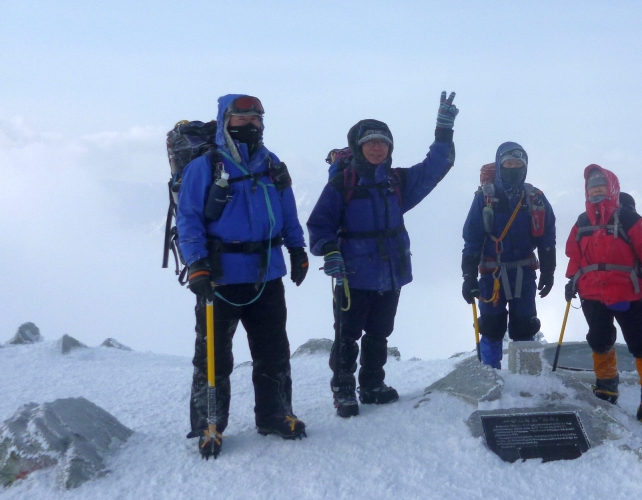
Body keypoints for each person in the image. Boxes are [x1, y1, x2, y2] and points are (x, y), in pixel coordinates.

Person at [308, 92, 458, 417]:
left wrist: (443, 132)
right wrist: (329, 251)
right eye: (371, 142)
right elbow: (320, 225)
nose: (377, 148)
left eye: (383, 143)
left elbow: (437, 166)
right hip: (353, 275)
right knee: (347, 334)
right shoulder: (342, 184)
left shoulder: (396, 181)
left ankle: (373, 386)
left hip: (390, 272)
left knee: (379, 332)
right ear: (359, 147)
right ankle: (344, 391)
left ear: (390, 148)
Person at [177, 94, 310, 458]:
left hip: (267, 273)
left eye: (256, 118)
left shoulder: (272, 164)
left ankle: (275, 415)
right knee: (213, 356)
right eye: (241, 116)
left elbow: (287, 211)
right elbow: (187, 218)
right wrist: (197, 264)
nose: (251, 123)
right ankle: (209, 425)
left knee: (273, 351)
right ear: (225, 120)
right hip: (219, 276)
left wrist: (297, 249)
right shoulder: (205, 166)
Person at [564, 166, 642, 423]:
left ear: (611, 188)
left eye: (600, 185)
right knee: (599, 340)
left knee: (641, 343)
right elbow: (574, 255)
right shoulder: (582, 221)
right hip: (591, 293)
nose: (596, 190)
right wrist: (572, 279)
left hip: (626, 293)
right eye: (591, 186)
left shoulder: (631, 219)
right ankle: (606, 387)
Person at [461, 143, 556, 369]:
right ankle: (489, 374)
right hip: (491, 275)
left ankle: (527, 375)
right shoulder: (485, 198)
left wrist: (548, 271)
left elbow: (547, 238)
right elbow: (472, 239)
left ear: (525, 167)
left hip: (524, 273)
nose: (513, 168)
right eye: (508, 164)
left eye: (518, 164)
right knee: (491, 326)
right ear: (500, 165)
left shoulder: (535, 199)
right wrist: (469, 277)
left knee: (525, 324)